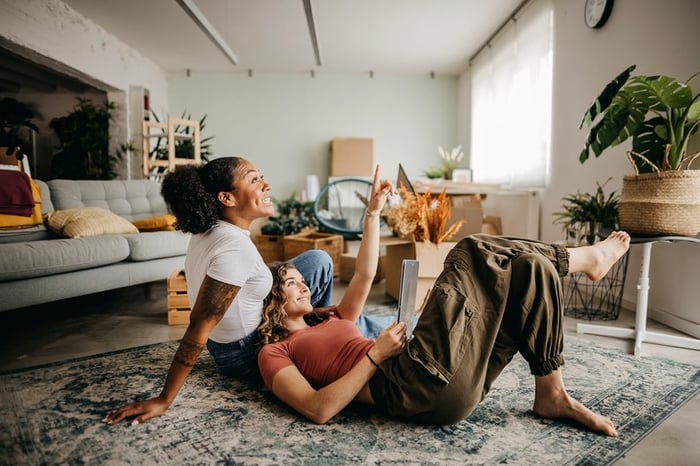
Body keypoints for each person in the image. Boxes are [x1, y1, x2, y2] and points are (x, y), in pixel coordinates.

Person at [257, 166, 630, 437]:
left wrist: (373, 212)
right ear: (273, 300)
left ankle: (552, 395)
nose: (305, 287)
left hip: (446, 380)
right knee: (470, 248)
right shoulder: (275, 352)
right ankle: (582, 259)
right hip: (410, 385)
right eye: (292, 283)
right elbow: (317, 409)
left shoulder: (331, 317)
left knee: (530, 270)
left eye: (303, 281)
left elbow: (365, 274)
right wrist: (376, 355)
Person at [103, 156, 390, 426]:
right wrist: (164, 399)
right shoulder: (233, 249)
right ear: (226, 198)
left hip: (236, 334)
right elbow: (199, 328)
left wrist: (310, 311)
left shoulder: (213, 227)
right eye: (254, 180)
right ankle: (324, 354)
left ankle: (317, 332)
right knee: (361, 322)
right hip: (242, 353)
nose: (266, 185)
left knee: (318, 261)